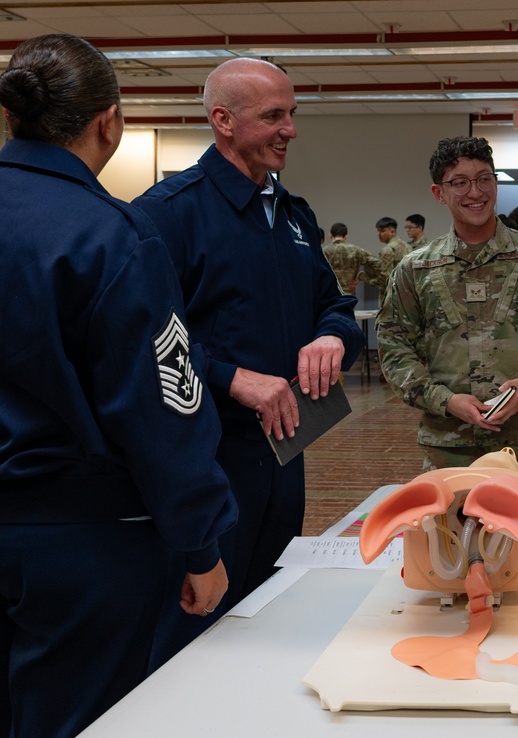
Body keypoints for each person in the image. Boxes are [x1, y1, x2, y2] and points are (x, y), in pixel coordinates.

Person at [0, 34, 237, 737]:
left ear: (9, 119)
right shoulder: (112, 235)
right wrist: (200, 543)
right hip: (83, 533)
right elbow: (163, 406)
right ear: (110, 121)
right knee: (82, 719)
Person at [133, 58, 363, 660]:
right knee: (197, 625)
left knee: (269, 608)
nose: (290, 129)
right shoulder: (165, 214)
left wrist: (333, 337)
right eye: (273, 116)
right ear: (222, 121)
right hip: (206, 460)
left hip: (284, 450)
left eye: (292, 114)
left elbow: (332, 303)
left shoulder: (292, 214)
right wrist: (230, 378)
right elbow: (140, 340)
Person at [377, 135, 518, 485]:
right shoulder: (415, 269)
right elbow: (394, 349)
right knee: (447, 540)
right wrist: (445, 400)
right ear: (440, 193)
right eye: (460, 183)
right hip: (449, 449)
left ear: (495, 183)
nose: (475, 192)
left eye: (484, 179)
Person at [323, 222, 381, 296]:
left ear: (330, 236)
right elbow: (377, 263)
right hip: (349, 294)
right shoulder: (356, 251)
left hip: (330, 293)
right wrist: (363, 276)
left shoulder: (324, 252)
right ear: (346, 236)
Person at [370, 216, 411, 291]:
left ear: (392, 232)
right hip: (407, 291)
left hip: (392, 294)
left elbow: (385, 278)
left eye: (382, 231)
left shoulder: (387, 250)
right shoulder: (408, 246)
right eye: (378, 231)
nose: (379, 234)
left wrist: (369, 280)